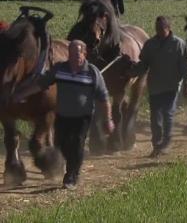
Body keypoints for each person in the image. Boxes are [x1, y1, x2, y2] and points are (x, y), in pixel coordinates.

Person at [12, 40, 114, 189]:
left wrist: (108, 119)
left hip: (82, 117)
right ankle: (69, 168)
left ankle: (72, 175)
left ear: (84, 54)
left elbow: (104, 97)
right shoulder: (60, 69)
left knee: (76, 144)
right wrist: (21, 94)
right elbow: (41, 84)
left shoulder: (92, 72)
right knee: (61, 145)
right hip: (62, 115)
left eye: (78, 53)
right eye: (72, 54)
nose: (75, 56)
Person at [127, 16, 187, 157]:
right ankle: (157, 145)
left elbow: (186, 67)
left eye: (161, 29)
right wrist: (130, 72)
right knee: (155, 118)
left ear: (168, 28)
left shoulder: (179, 44)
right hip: (155, 87)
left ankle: (166, 142)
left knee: (167, 115)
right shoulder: (150, 44)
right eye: (157, 29)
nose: (158, 32)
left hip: (172, 86)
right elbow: (143, 64)